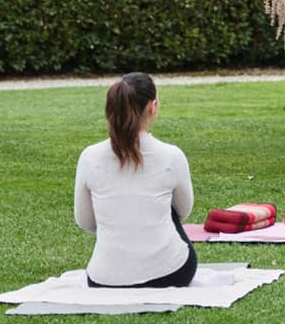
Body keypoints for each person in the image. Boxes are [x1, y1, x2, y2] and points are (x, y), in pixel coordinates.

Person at [74, 72, 197, 288]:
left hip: (103, 278)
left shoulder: (89, 157)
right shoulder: (171, 155)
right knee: (169, 209)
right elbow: (183, 211)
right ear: (152, 107)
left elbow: (85, 221)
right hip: (171, 273)